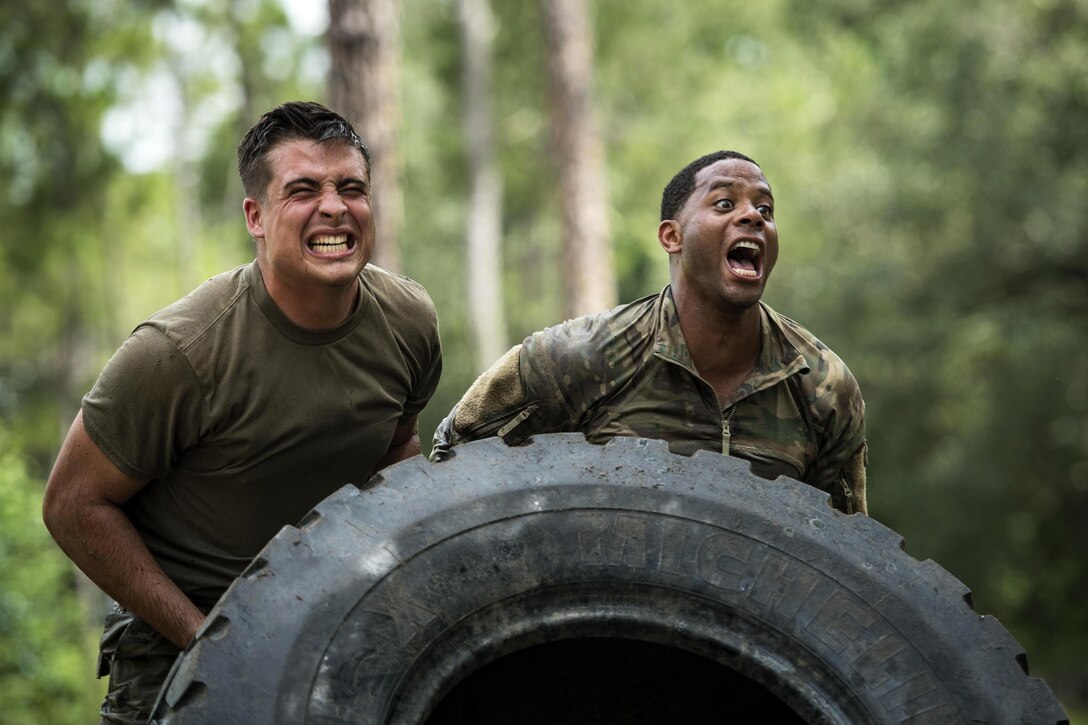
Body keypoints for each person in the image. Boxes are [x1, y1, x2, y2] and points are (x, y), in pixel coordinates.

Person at [42, 101, 442, 724]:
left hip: (331, 618)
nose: (334, 207)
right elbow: (72, 503)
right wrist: (212, 642)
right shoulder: (179, 353)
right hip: (179, 634)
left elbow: (397, 447)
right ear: (256, 216)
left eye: (352, 188)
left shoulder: (409, 319)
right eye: (303, 190)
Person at [433, 150, 867, 514]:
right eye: (724, 204)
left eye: (765, 209)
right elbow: (449, 466)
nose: (752, 216)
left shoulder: (821, 385)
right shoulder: (580, 358)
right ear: (671, 236)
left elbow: (846, 550)